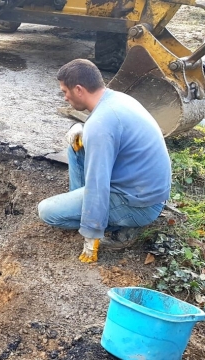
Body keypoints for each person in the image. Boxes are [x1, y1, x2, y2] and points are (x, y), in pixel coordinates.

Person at [37, 59, 171, 263]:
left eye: (65, 91)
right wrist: (84, 131)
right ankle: (82, 206)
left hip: (140, 205)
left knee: (47, 211)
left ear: (79, 89)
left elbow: (97, 185)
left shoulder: (101, 125)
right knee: (75, 146)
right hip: (143, 190)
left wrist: (91, 234)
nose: (64, 98)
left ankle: (119, 225)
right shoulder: (116, 99)